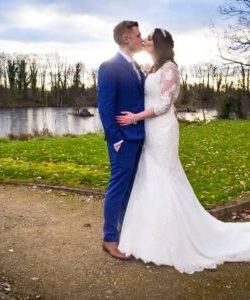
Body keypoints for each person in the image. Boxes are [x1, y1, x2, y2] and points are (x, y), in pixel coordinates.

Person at [116, 28, 250, 274]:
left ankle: (172, 240)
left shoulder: (170, 68)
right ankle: (147, 236)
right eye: (143, 37)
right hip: (151, 130)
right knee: (150, 175)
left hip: (162, 129)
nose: (145, 40)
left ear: (158, 43)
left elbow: (165, 104)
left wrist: (135, 117)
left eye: (148, 38)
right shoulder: (153, 68)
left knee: (164, 176)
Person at [97, 21, 145, 260]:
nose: (141, 39)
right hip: (123, 140)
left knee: (129, 188)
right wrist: (116, 140)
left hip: (138, 137)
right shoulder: (109, 67)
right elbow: (105, 107)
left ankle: (125, 230)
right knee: (117, 188)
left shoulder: (137, 66)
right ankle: (109, 239)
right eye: (138, 35)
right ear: (127, 39)